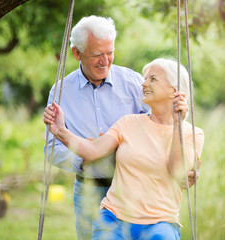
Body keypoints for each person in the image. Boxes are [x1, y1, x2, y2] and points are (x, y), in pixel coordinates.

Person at [43, 58, 205, 239]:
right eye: (145, 79)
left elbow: (177, 170)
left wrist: (177, 124)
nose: (143, 84)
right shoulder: (128, 122)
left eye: (152, 79)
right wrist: (60, 130)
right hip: (114, 218)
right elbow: (92, 150)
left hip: (161, 223)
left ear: (174, 91)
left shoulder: (192, 133)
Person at [44, 15, 150, 240]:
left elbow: (157, 128)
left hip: (134, 189)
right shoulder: (60, 92)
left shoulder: (134, 83)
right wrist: (85, 156)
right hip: (89, 192)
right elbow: (51, 148)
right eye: (96, 55)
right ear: (76, 53)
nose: (105, 61)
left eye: (109, 52)